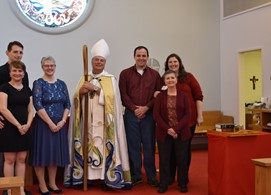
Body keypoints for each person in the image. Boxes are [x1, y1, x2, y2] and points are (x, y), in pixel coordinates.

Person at [64, 39, 131, 189]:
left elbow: (113, 101)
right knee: (88, 146)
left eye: (101, 60)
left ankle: (106, 178)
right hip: (87, 123)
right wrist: (81, 91)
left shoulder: (110, 79)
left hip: (105, 124)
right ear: (92, 61)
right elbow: (75, 99)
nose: (99, 62)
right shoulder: (84, 77)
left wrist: (96, 89)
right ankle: (87, 177)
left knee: (103, 147)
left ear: (105, 62)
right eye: (96, 60)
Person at [119, 46, 162, 187]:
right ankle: (136, 175)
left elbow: (158, 95)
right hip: (131, 116)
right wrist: (134, 108)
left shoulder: (155, 75)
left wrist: (146, 107)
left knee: (149, 147)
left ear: (147, 57)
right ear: (134, 57)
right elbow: (123, 95)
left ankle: (151, 176)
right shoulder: (125, 74)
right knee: (133, 147)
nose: (141, 58)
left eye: (144, 56)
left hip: (149, 116)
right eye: (139, 55)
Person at [28, 56, 71, 195]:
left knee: (53, 155)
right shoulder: (38, 83)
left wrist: (63, 121)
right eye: (46, 65)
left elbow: (68, 104)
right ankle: (42, 184)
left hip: (60, 124)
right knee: (42, 155)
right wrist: (50, 123)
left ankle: (52, 183)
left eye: (52, 65)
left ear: (55, 66)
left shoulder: (62, 84)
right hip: (43, 124)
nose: (49, 68)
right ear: (42, 67)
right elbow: (37, 104)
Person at [164, 53, 203, 185]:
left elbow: (199, 96)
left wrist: (200, 115)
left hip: (188, 121)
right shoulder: (165, 78)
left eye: (175, 62)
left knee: (184, 150)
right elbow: (159, 93)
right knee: (171, 151)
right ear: (167, 65)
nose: (173, 64)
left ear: (180, 63)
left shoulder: (189, 77)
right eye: (170, 62)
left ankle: (183, 178)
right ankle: (170, 177)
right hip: (170, 123)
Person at [153, 70, 191, 193]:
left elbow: (187, 114)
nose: (170, 80)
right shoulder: (160, 96)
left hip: (181, 133)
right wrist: (168, 129)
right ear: (164, 81)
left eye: (172, 78)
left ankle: (182, 183)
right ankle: (163, 184)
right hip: (164, 133)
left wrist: (175, 129)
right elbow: (156, 115)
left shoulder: (184, 95)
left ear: (176, 80)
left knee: (182, 159)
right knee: (164, 159)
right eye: (167, 78)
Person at [0, 61, 33, 195]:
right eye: (14, 71)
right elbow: (3, 108)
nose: (17, 73)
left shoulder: (27, 89)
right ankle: (9, 190)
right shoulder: (4, 88)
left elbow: (31, 109)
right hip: (9, 128)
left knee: (21, 160)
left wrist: (28, 125)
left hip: (25, 128)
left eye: (20, 71)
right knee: (9, 160)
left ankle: (19, 190)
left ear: (24, 73)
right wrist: (18, 125)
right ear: (10, 73)